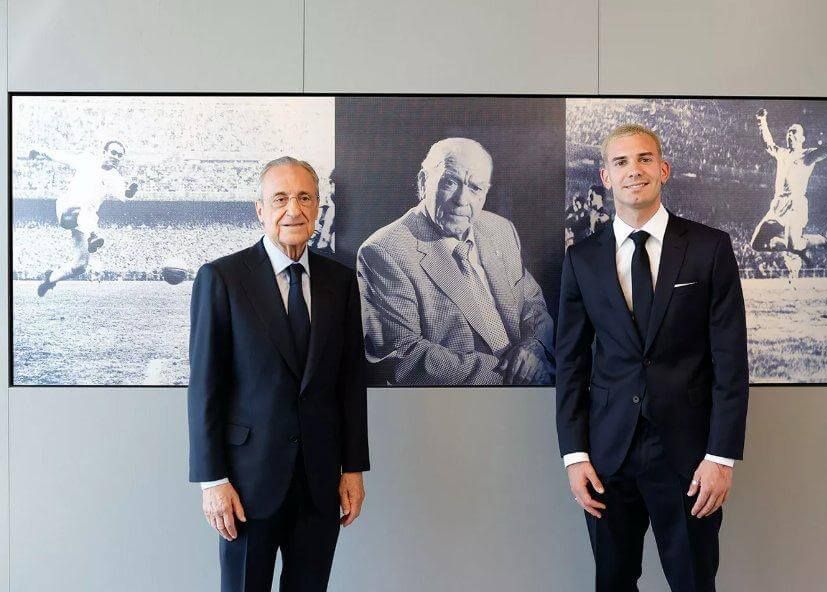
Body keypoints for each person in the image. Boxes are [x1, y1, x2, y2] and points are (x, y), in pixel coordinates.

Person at [556, 124, 749, 591]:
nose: (633, 171)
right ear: (605, 176)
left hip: (688, 460)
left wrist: (721, 457)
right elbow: (570, 362)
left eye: (644, 159)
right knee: (613, 582)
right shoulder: (581, 259)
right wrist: (575, 454)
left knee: (693, 582)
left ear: (663, 169)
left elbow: (730, 363)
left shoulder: (709, 248)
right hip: (607, 460)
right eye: (620, 162)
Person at [188, 157, 369, 591]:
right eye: (281, 198)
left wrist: (353, 467)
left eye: (304, 197)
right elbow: (205, 389)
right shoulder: (222, 278)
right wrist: (213, 480)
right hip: (247, 487)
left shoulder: (340, 282)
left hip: (320, 482)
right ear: (260, 209)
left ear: (318, 206)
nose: (294, 209)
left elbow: (349, 383)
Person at [356, 137, 554, 386]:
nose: (462, 200)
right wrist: (512, 375)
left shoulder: (501, 230)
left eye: (475, 188)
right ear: (423, 182)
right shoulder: (384, 251)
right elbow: (405, 356)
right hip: (450, 406)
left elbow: (532, 303)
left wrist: (533, 347)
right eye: (450, 182)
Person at [750, 108, 827, 278]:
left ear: (802, 138)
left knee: (796, 245)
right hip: (777, 204)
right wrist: (762, 121)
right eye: (789, 131)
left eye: (794, 132)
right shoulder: (782, 153)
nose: (790, 134)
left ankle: (823, 240)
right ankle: (793, 248)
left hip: (795, 204)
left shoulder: (807, 155)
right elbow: (768, 143)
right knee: (756, 244)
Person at [32, 141, 139, 296]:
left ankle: (50, 279)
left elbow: (125, 195)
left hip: (86, 220)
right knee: (81, 209)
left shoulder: (114, 177)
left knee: (80, 266)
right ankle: (93, 235)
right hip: (68, 208)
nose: (116, 157)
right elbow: (63, 157)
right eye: (113, 152)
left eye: (119, 155)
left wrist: (131, 190)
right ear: (104, 152)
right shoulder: (87, 161)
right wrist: (41, 151)